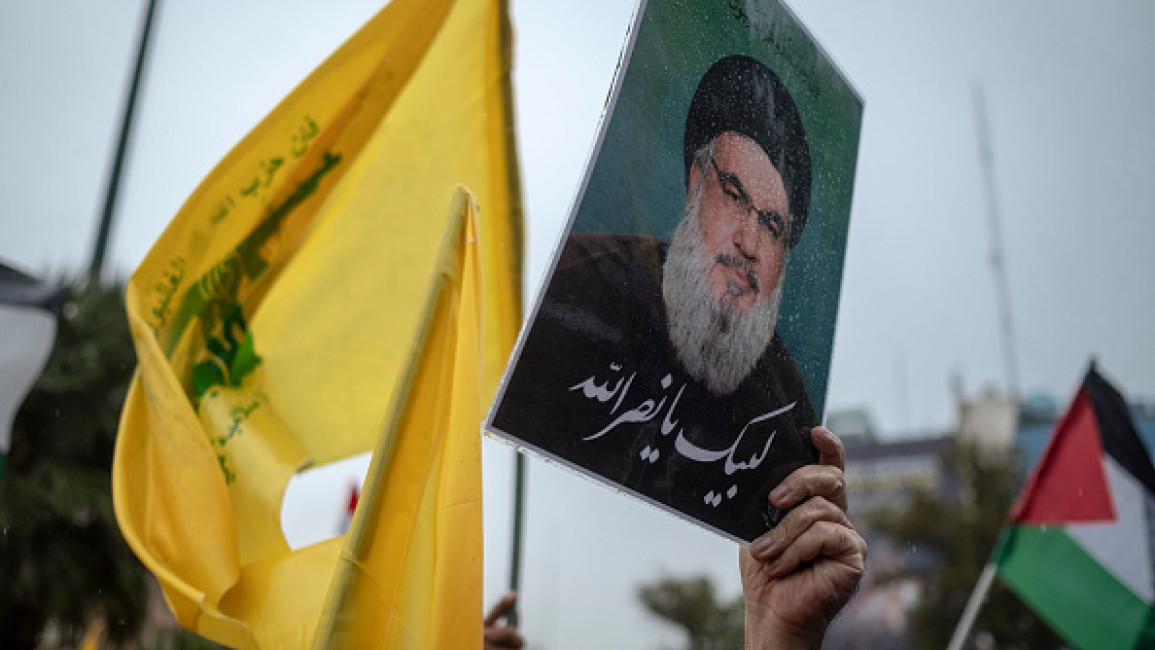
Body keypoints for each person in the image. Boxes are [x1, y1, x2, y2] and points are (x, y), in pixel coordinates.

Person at [492, 54, 818, 542]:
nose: (749, 243)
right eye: (734, 194)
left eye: (772, 227)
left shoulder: (785, 418)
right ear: (695, 182)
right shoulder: (574, 291)